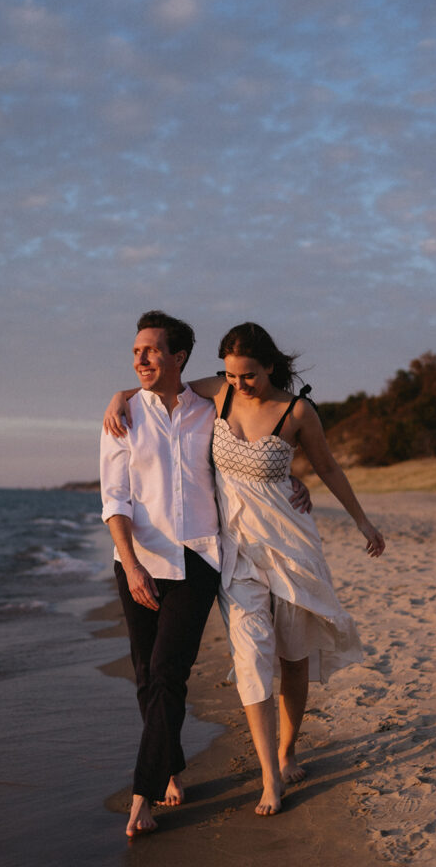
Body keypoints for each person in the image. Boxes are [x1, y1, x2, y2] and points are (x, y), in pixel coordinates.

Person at [104, 321, 385, 818]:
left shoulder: (298, 412)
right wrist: (119, 394)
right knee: (252, 657)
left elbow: (328, 467)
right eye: (231, 375)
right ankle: (268, 778)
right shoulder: (217, 393)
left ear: (270, 367)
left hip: (289, 548)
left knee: (293, 657)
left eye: (248, 376)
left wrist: (362, 521)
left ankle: (288, 751)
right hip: (234, 554)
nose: (238, 384)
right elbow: (163, 384)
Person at [100, 311, 311, 838]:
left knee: (170, 673)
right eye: (135, 353)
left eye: (151, 351)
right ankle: (170, 763)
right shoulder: (123, 415)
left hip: (198, 561)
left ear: (179, 359)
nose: (140, 359)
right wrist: (130, 567)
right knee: (147, 676)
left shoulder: (211, 408)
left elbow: (262, 443)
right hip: (139, 560)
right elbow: (115, 501)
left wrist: (294, 482)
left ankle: (142, 795)